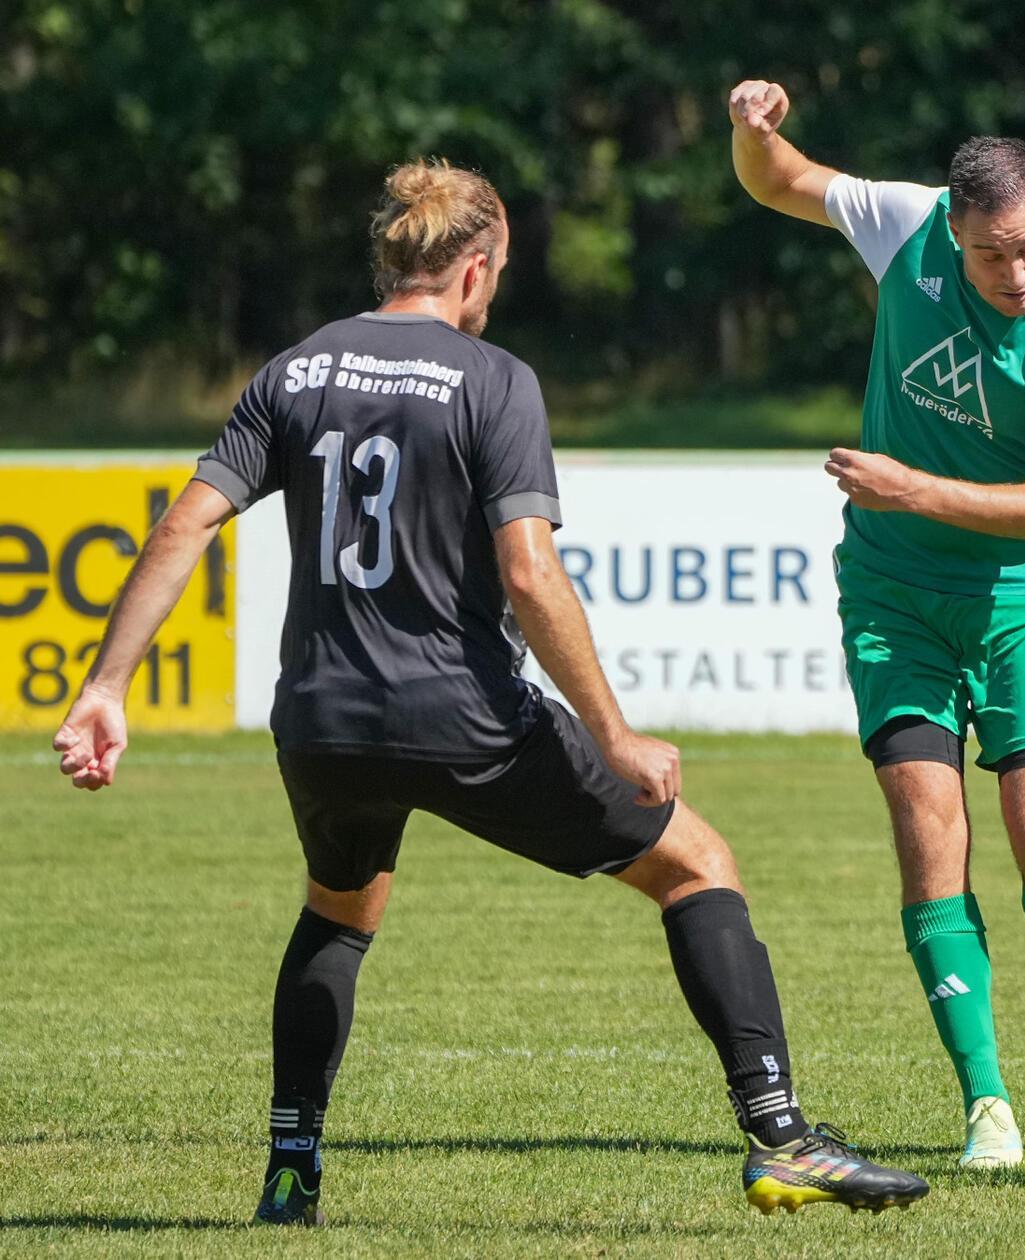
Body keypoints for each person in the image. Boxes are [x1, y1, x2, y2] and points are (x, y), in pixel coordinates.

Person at [50, 158, 930, 1223]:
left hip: (320, 718)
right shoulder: (492, 378)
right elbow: (530, 572)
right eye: (500, 271)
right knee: (698, 864)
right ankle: (782, 1140)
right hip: (458, 715)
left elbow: (186, 520)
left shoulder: (295, 368)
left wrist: (105, 687)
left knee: (339, 910)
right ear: (474, 268)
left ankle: (290, 1171)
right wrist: (614, 734)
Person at [728, 79, 1025, 1169]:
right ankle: (985, 1102)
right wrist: (751, 132)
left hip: (1020, 596)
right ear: (953, 228)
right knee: (928, 835)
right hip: (892, 594)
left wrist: (909, 488)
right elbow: (778, 181)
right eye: (994, 254)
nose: (1019, 272)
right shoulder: (904, 227)